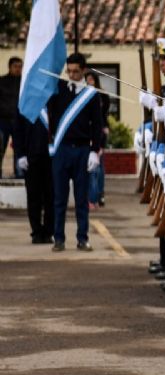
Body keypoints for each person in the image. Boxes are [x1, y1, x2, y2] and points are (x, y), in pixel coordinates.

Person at [47, 52, 103, 252]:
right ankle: (59, 239)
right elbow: (50, 119)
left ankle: (82, 238)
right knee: (59, 198)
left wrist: (94, 151)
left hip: (81, 150)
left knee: (81, 199)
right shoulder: (58, 90)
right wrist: (50, 143)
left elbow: (97, 125)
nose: (72, 75)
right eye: (69, 71)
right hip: (61, 149)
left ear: (84, 70)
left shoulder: (91, 95)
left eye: (76, 71)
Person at [14, 107, 54, 244]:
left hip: (51, 156)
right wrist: (20, 154)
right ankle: (36, 231)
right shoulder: (25, 102)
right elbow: (17, 129)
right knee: (33, 196)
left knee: (51, 195)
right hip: (31, 156)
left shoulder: (52, 99)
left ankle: (49, 231)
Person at [84, 71, 109, 209]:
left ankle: (99, 194)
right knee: (92, 168)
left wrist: (104, 128)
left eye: (92, 79)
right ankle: (92, 197)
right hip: (87, 131)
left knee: (99, 167)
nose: (89, 82)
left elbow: (103, 114)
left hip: (100, 131)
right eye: (87, 79)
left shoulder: (102, 95)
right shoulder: (83, 94)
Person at [0, 56, 22, 178]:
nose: (18, 69)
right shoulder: (1, 81)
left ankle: (19, 173)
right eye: (16, 66)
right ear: (10, 67)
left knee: (19, 149)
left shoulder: (24, 82)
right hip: (2, 121)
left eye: (20, 67)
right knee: (0, 148)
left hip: (19, 121)